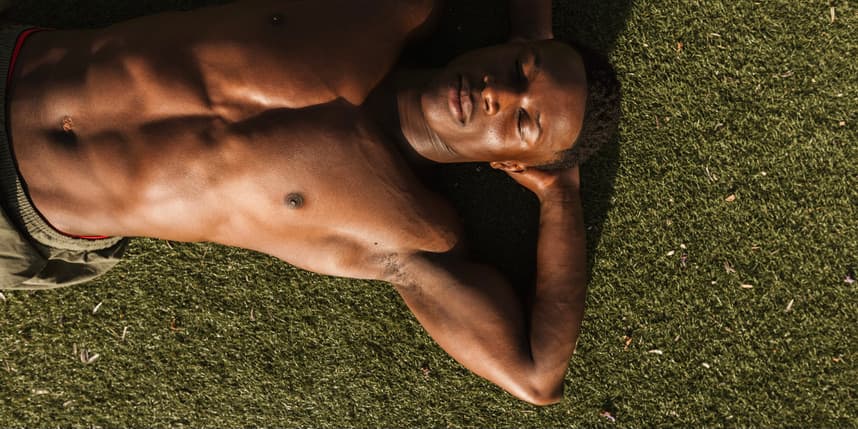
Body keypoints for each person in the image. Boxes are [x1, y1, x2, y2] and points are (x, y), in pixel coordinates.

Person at [0, 0, 620, 405]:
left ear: (510, 161)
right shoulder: (387, 14)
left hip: (16, 211)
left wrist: (559, 193)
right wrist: (535, 31)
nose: (498, 94)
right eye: (519, 69)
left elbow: (536, 376)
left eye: (523, 122)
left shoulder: (404, 234)